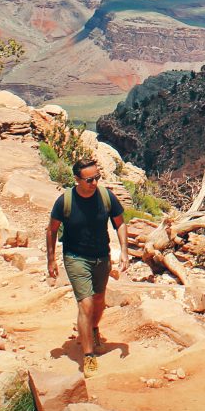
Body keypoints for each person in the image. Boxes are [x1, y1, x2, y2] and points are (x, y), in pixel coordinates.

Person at [47, 157, 128, 377]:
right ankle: (89, 356)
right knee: (86, 303)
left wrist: (124, 251)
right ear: (77, 179)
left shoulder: (105, 196)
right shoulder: (65, 201)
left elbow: (120, 223)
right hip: (75, 257)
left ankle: (92, 329)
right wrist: (51, 259)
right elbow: (52, 230)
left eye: (97, 178)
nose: (94, 183)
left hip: (102, 256)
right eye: (89, 179)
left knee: (100, 300)